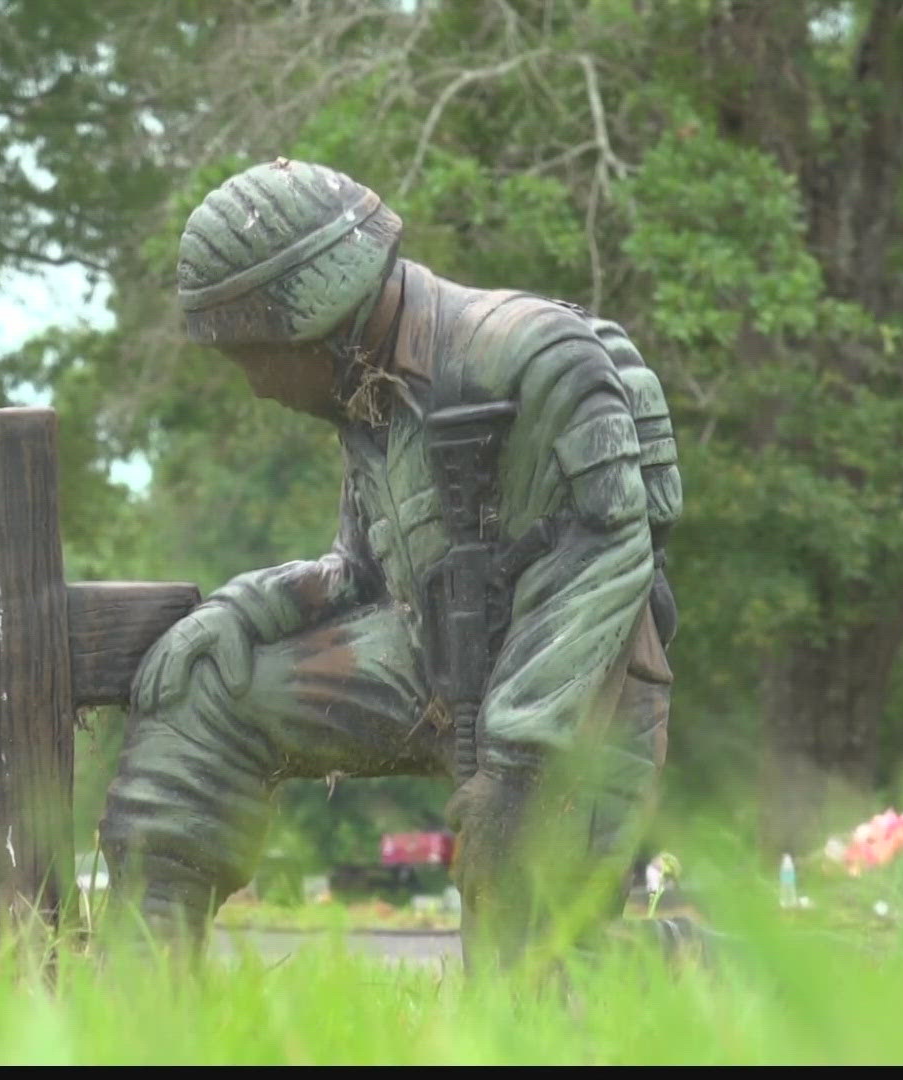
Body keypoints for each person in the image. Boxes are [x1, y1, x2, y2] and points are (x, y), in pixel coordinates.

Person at [98, 159, 682, 970]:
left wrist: (519, 769)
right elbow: (364, 569)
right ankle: (138, 995)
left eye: (254, 354)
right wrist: (244, 610)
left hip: (580, 698)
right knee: (208, 689)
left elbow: (605, 558)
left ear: (318, 318)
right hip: (429, 662)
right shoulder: (367, 389)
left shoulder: (531, 356)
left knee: (534, 994)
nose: (257, 387)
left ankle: (702, 968)